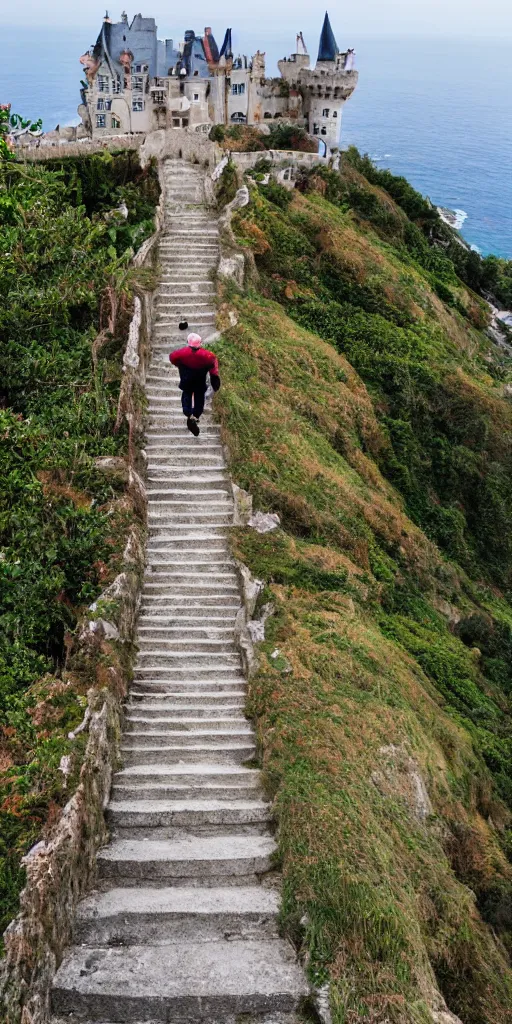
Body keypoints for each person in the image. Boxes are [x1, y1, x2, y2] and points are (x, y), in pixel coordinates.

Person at [169, 333, 220, 436]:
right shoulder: (207, 355)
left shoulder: (181, 353)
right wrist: (214, 379)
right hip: (199, 382)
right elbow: (213, 364)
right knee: (199, 400)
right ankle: (195, 416)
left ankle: (188, 413)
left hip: (186, 380)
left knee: (186, 395)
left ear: (188, 342)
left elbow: (172, 357)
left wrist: (179, 365)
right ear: (200, 343)